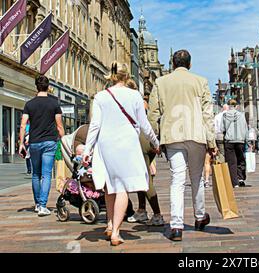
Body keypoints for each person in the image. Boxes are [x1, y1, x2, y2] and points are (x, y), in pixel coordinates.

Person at [82, 62, 160, 246]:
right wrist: (155, 142)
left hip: (105, 144)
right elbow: (144, 124)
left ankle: (110, 224)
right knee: (123, 187)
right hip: (127, 144)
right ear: (127, 76)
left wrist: (87, 149)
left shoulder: (101, 96)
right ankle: (116, 232)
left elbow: (95, 125)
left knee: (110, 185)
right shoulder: (135, 96)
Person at [148, 49, 216, 241]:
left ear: (172, 63)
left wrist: (155, 139)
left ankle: (176, 226)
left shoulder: (161, 82)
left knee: (177, 180)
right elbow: (207, 115)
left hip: (172, 136)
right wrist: (211, 141)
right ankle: (200, 216)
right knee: (196, 178)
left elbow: (153, 114)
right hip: (196, 135)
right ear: (190, 64)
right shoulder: (201, 82)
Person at [19, 75, 65, 217]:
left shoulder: (29, 104)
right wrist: (64, 142)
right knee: (46, 175)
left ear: (36, 86)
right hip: (50, 142)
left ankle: (38, 204)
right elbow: (59, 126)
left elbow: (22, 124)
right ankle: (43, 206)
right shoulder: (54, 104)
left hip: (34, 142)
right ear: (48, 86)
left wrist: (21, 143)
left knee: (36, 174)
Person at [125, 79, 165, 226]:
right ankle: (141, 210)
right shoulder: (142, 101)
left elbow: (144, 123)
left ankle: (157, 214)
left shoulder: (129, 100)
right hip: (146, 139)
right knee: (140, 175)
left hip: (140, 139)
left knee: (145, 179)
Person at [222, 99, 248, 188]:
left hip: (229, 141)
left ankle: (234, 182)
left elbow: (222, 128)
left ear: (228, 106)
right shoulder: (241, 115)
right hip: (240, 140)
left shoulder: (225, 115)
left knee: (231, 162)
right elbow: (245, 128)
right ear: (236, 106)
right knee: (240, 159)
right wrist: (247, 140)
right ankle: (241, 178)